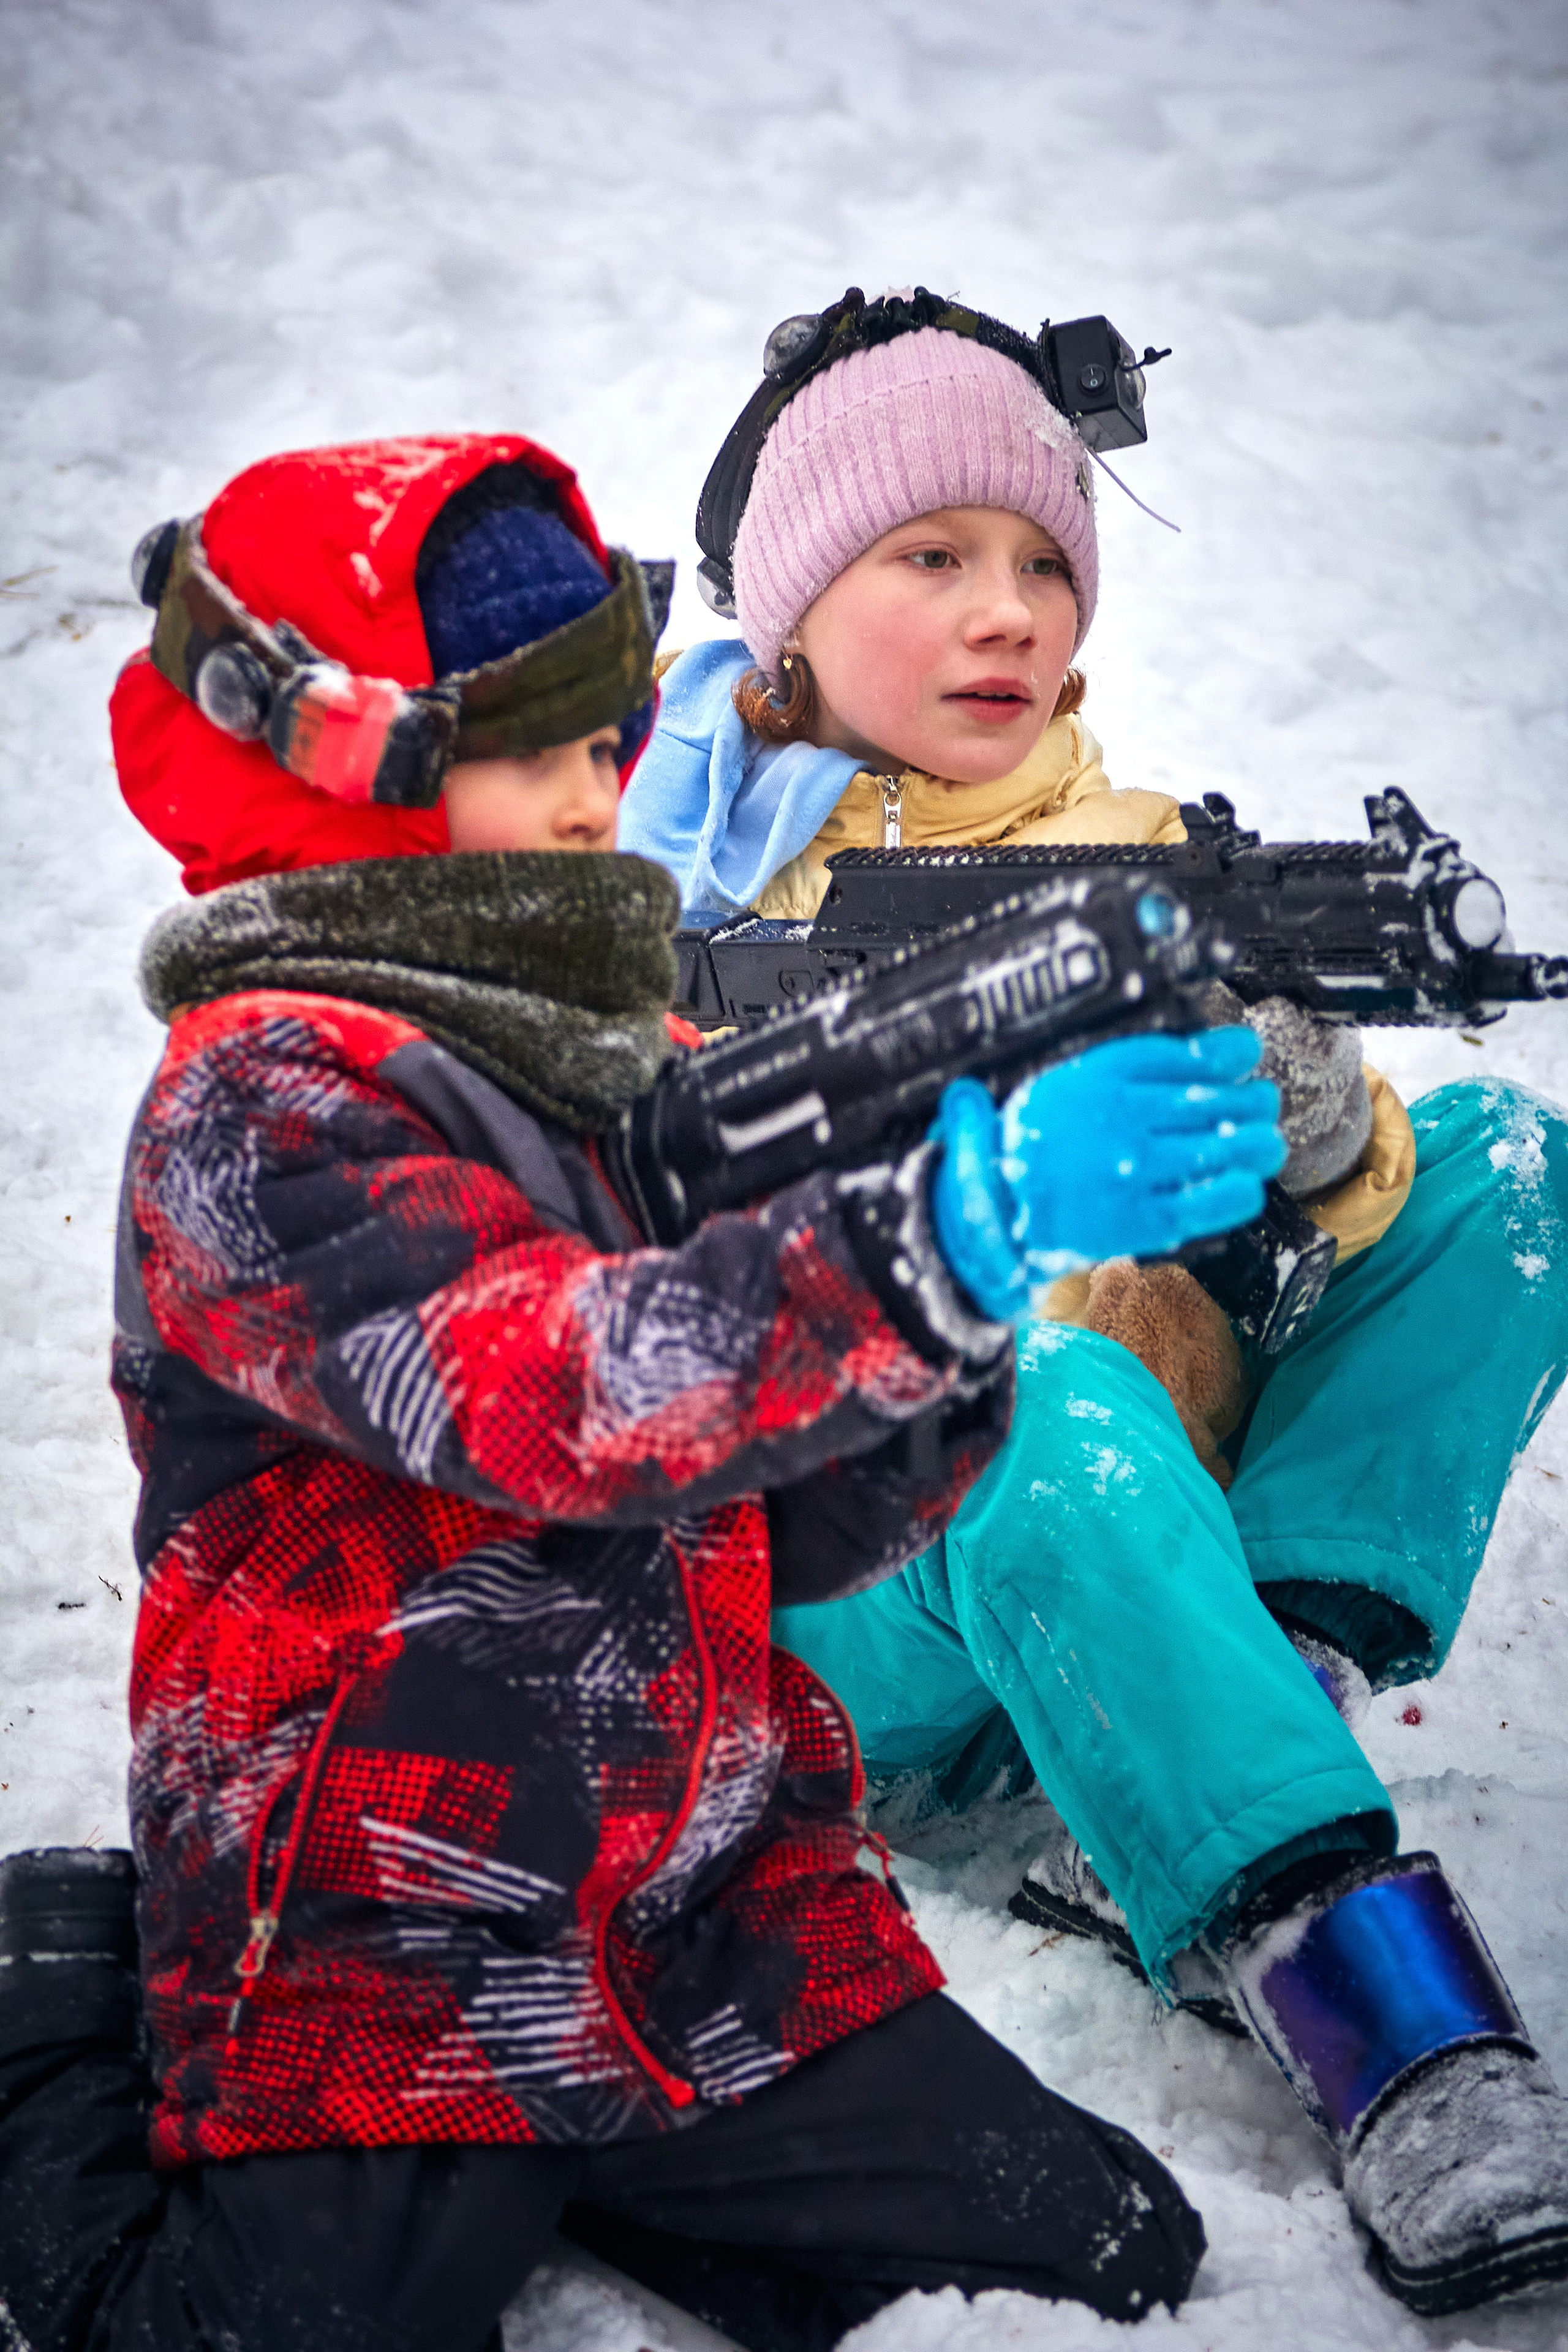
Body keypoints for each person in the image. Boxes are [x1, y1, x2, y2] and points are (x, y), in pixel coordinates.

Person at [1, 429, 1288, 2351]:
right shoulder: (259, 1103)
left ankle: (599, 2176)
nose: (602, 800)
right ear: (349, 775)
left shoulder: (635, 1068)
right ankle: (41, 1997)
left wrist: (971, 1300)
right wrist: (938, 1229)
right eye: (536, 752)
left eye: (611, 746)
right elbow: (560, 1397)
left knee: (1104, 2253)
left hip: (697, 1927)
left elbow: (811, 1521)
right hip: (379, 1946)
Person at [618, 285, 1568, 2317]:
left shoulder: (1142, 849)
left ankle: (1247, 1690)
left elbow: (1329, 1218)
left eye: (1048, 559)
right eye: (934, 556)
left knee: (1505, 1172)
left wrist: (1319, 1128)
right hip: (836, 1612)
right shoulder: (683, 891)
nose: (1009, 612)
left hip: (1132, 1492)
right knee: (1029, 1373)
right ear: (789, 611)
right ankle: (1382, 2022)